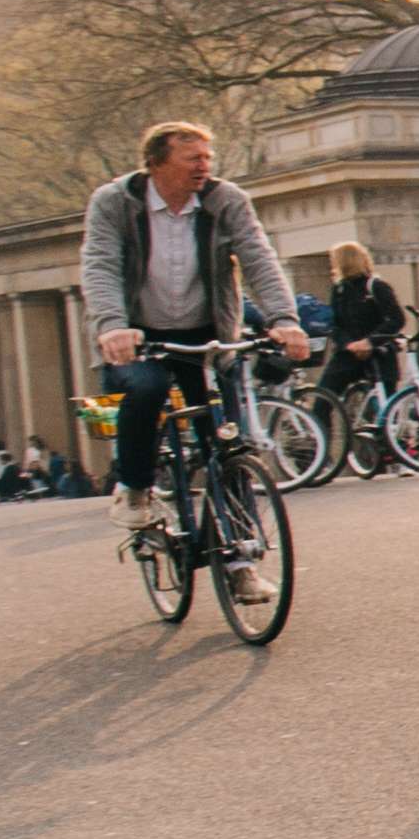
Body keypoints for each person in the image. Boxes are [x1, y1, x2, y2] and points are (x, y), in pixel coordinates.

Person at [73, 119, 311, 546]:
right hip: (139, 336)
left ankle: (240, 556)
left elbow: (259, 259)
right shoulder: (114, 202)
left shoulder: (226, 200)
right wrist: (112, 326)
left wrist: (284, 320)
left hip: (206, 336)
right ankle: (135, 488)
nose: (204, 167)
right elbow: (100, 265)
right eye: (192, 159)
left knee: (228, 445)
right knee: (145, 390)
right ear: (155, 164)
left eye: (207, 158)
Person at [317, 238, 409, 429]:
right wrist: (348, 344)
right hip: (348, 354)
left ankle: (389, 450)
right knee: (322, 399)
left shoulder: (376, 286)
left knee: (387, 409)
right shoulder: (339, 289)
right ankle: (320, 449)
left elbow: (396, 319)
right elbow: (334, 325)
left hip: (380, 354)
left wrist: (370, 342)